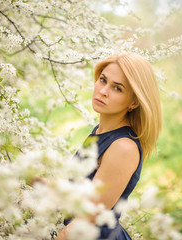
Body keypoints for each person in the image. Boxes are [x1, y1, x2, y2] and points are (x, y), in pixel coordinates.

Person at [56, 53, 162, 240]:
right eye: (103, 80)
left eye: (117, 88)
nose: (103, 91)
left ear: (134, 102)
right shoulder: (99, 131)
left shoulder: (123, 147)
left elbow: (84, 221)